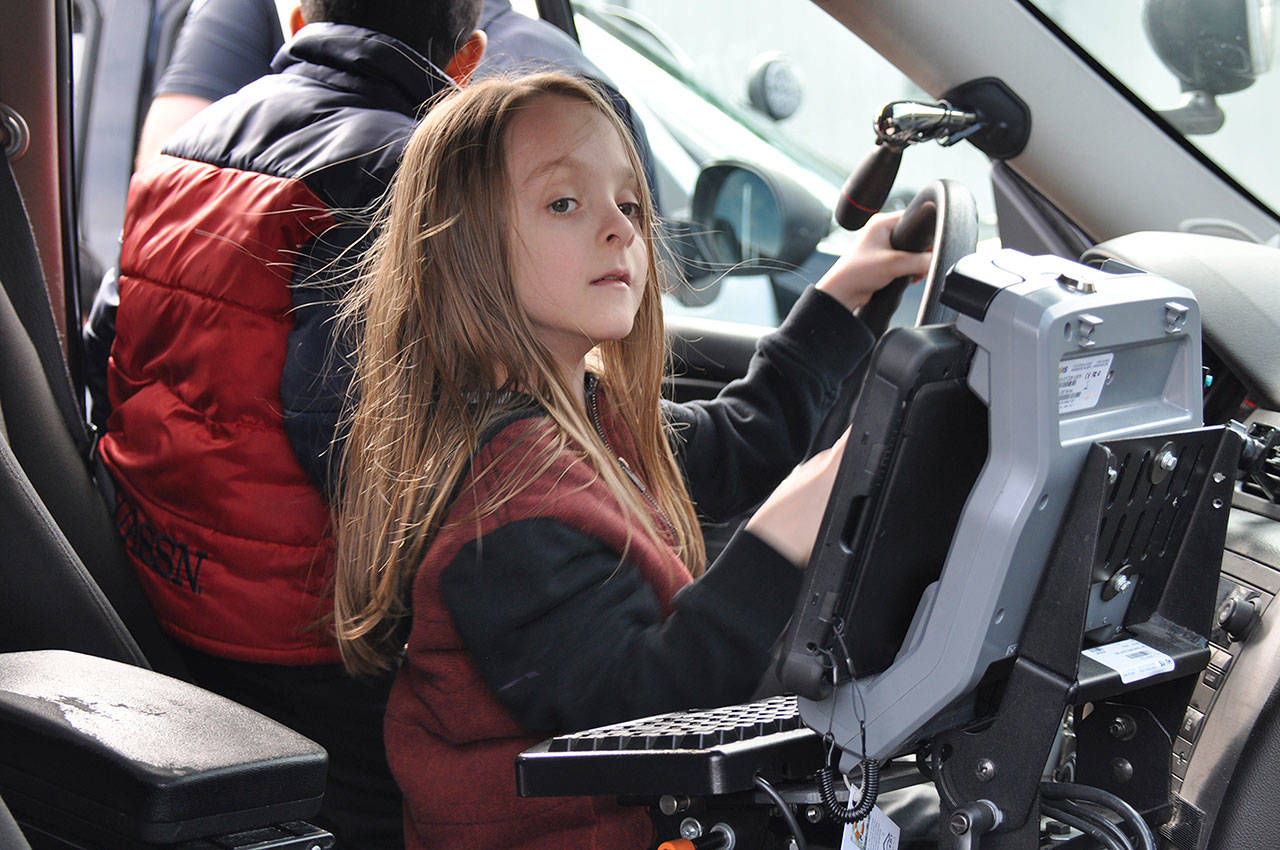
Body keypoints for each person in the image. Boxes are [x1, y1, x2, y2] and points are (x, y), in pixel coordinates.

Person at [332, 72, 931, 849]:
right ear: (463, 246)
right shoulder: (502, 517)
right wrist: (795, 524)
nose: (620, 230)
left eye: (630, 205)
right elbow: (650, 715)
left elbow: (741, 440)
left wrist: (844, 291)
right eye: (563, 203)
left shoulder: (584, 412)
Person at [95, 2, 486, 847]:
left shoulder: (182, 146)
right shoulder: (402, 174)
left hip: (153, 582)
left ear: (301, 17)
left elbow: (105, 352)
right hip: (301, 640)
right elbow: (343, 432)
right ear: (468, 62)